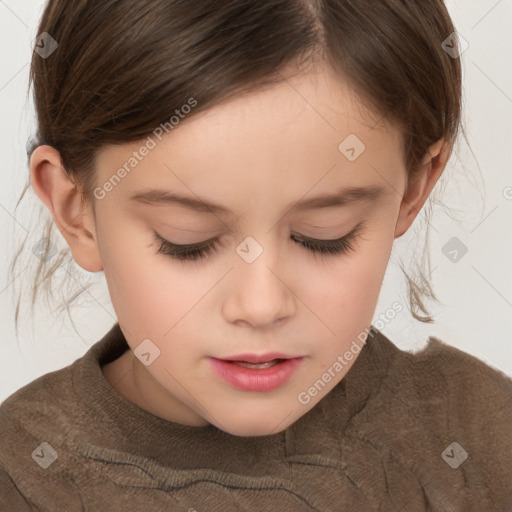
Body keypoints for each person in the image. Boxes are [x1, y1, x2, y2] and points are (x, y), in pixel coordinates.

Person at [1, 0, 511, 510]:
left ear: (412, 190)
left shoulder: (482, 440)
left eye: (324, 235)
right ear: (76, 210)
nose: (262, 304)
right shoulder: (21, 479)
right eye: (187, 240)